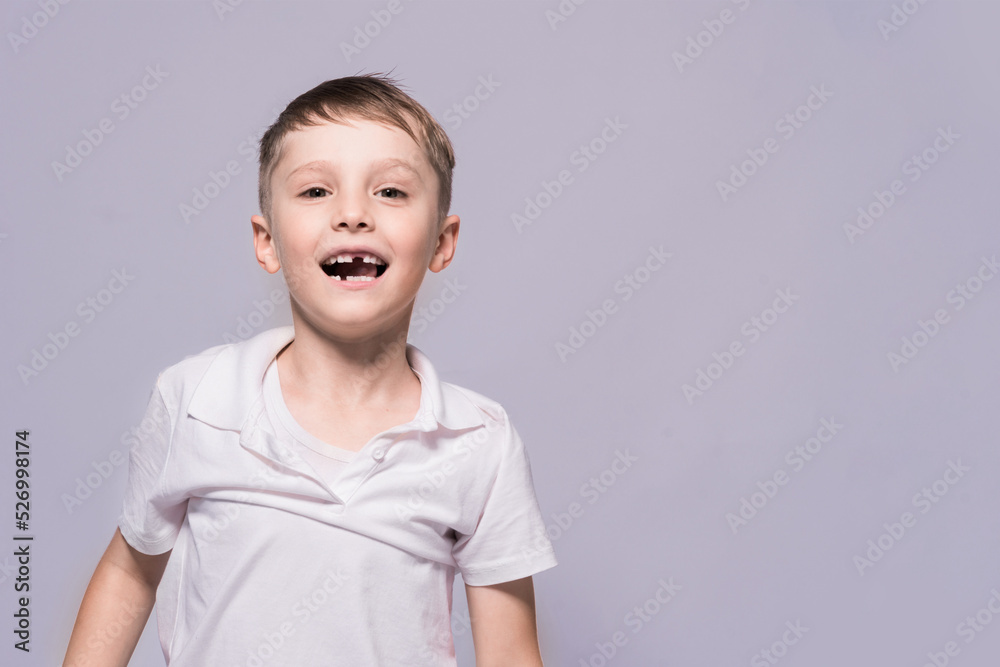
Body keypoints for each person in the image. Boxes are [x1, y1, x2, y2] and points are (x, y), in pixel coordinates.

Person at [63, 72, 558, 666]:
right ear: (267, 241)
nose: (352, 214)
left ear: (442, 243)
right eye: (316, 191)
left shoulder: (480, 442)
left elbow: (510, 655)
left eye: (392, 193)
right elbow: (132, 572)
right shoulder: (196, 398)